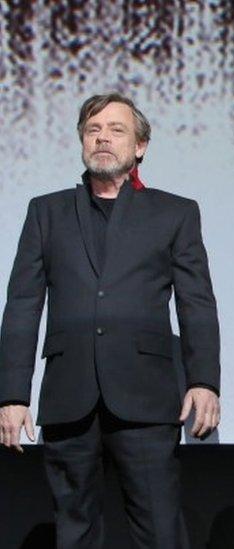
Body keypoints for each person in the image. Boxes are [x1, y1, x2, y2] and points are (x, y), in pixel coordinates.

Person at [0, 93, 220, 548]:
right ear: (82, 141)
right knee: (74, 529)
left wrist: (204, 381)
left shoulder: (175, 212)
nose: (103, 138)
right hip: (69, 396)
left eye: (116, 130)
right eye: (93, 129)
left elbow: (196, 302)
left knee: (160, 529)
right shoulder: (47, 211)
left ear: (140, 146)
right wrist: (12, 395)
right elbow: (23, 304)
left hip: (146, 396)